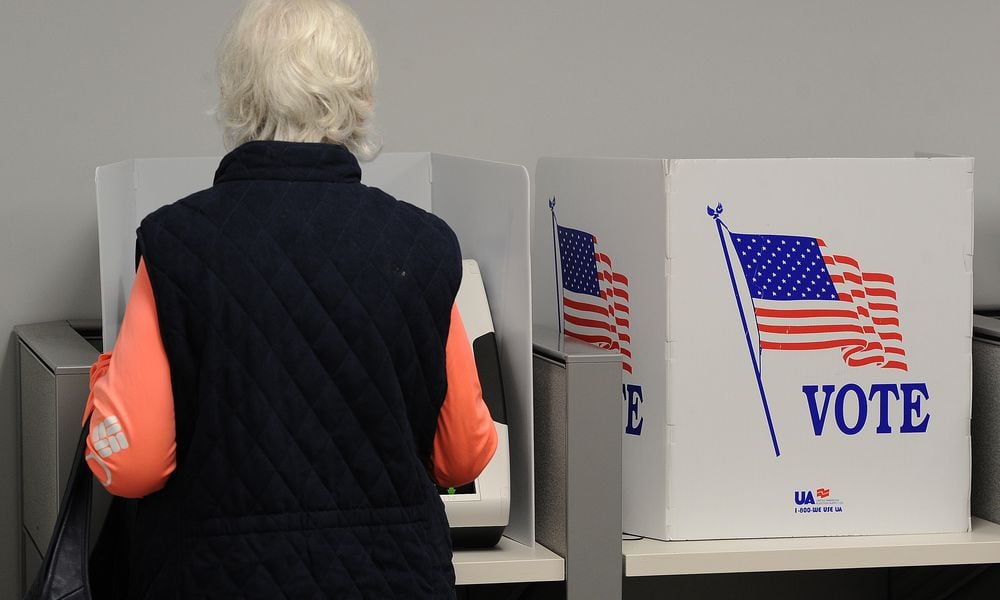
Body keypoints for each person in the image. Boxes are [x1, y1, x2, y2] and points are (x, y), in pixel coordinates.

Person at [82, 1, 498, 598]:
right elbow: (461, 456)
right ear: (359, 96)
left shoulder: (177, 242)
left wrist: (105, 376)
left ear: (238, 94)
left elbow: (132, 462)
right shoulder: (423, 245)